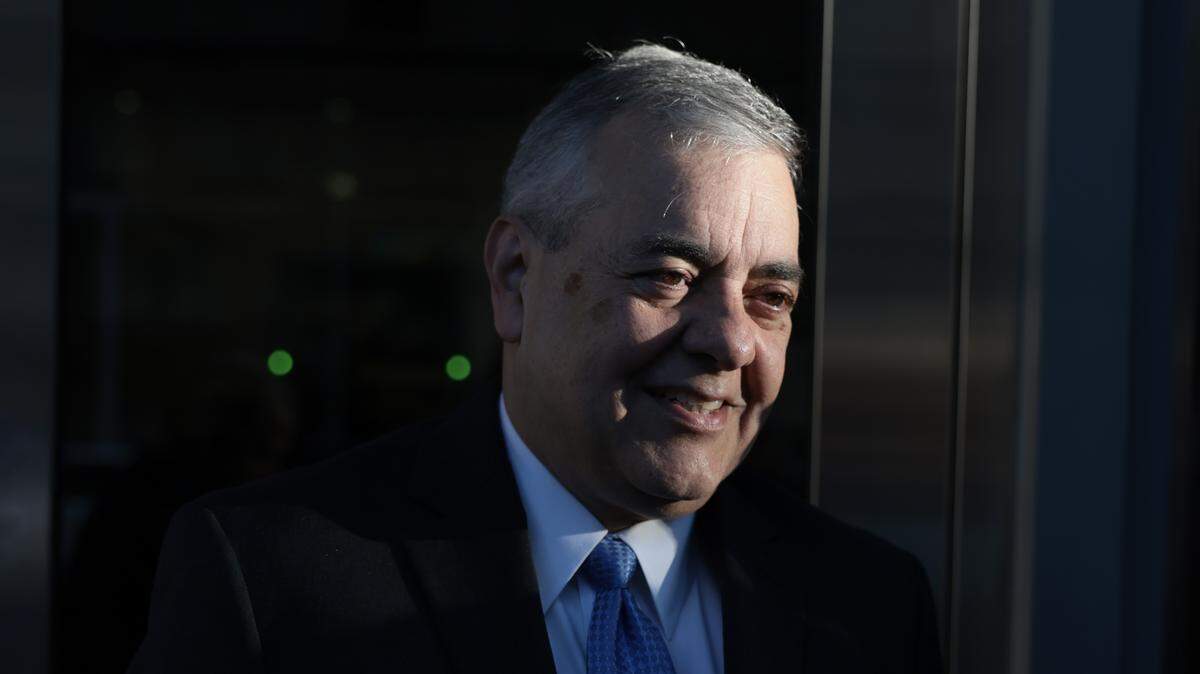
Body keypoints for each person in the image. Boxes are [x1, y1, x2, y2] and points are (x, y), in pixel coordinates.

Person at [129, 44, 941, 673]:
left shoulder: (865, 607)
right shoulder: (270, 580)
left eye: (770, 297)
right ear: (516, 278)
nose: (730, 339)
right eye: (669, 276)